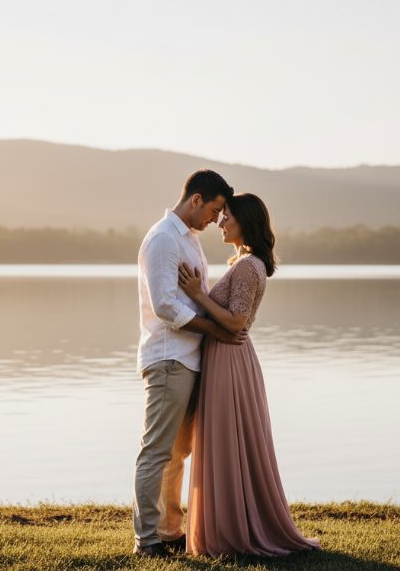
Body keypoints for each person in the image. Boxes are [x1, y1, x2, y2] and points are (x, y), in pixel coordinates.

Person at [178, 193, 321, 557]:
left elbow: (237, 319)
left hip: (230, 359)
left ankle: (232, 532)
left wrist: (198, 294)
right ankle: (230, 523)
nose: (221, 223)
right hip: (231, 357)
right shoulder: (246, 262)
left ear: (245, 222)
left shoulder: (247, 266)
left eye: (227, 217)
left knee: (227, 440)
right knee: (229, 442)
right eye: (221, 216)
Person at [132, 169, 244, 558]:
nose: (216, 220)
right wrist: (214, 328)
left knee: (177, 454)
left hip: (189, 359)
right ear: (196, 199)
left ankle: (168, 532)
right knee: (157, 450)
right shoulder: (164, 239)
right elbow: (165, 305)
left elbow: (194, 295)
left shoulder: (189, 240)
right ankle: (145, 540)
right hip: (167, 359)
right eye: (214, 210)